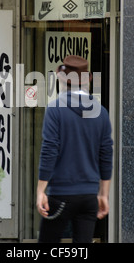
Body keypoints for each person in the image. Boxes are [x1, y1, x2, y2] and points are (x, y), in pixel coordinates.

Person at [36, 55, 113, 243]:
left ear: (62, 79)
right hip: (89, 195)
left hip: (60, 193)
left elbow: (49, 150)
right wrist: (103, 194)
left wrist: (40, 191)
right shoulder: (101, 112)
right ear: (89, 80)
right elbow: (106, 154)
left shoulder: (55, 109)